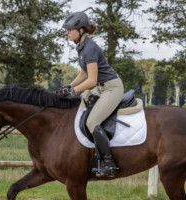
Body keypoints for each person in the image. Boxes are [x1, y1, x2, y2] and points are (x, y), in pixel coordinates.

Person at [59, 12, 124, 177]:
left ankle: (109, 163)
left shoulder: (90, 48)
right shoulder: (81, 46)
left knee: (92, 121)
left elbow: (92, 80)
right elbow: (83, 73)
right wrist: (69, 85)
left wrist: (73, 90)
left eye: (70, 29)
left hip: (111, 88)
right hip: (101, 87)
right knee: (79, 107)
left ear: (81, 30)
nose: (67, 32)